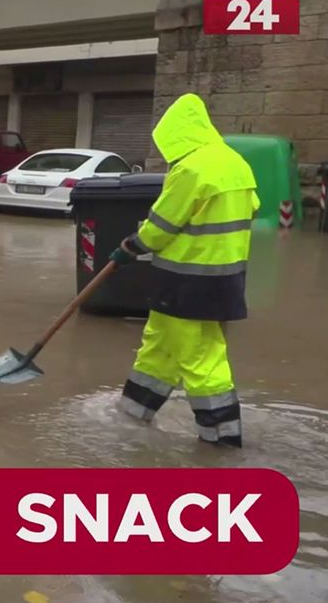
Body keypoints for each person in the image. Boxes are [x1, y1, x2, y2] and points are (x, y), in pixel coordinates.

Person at [110, 93, 259, 448]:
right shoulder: (235, 162)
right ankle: (133, 413)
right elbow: (253, 206)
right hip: (223, 278)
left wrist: (131, 246)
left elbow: (161, 225)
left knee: (201, 357)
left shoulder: (190, 168)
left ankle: (222, 440)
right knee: (159, 345)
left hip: (185, 280)